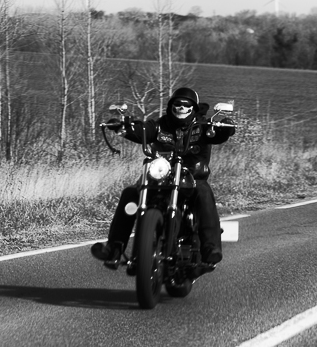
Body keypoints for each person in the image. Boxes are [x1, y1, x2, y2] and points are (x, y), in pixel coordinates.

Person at [91, 87, 235, 268]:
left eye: (186, 105)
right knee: (131, 195)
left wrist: (226, 128)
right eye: (178, 104)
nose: (181, 107)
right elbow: (144, 129)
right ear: (171, 105)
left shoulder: (203, 126)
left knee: (203, 192)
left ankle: (210, 248)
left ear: (194, 107)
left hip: (192, 177)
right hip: (161, 176)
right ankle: (114, 248)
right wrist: (124, 127)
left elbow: (217, 134)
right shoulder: (160, 125)